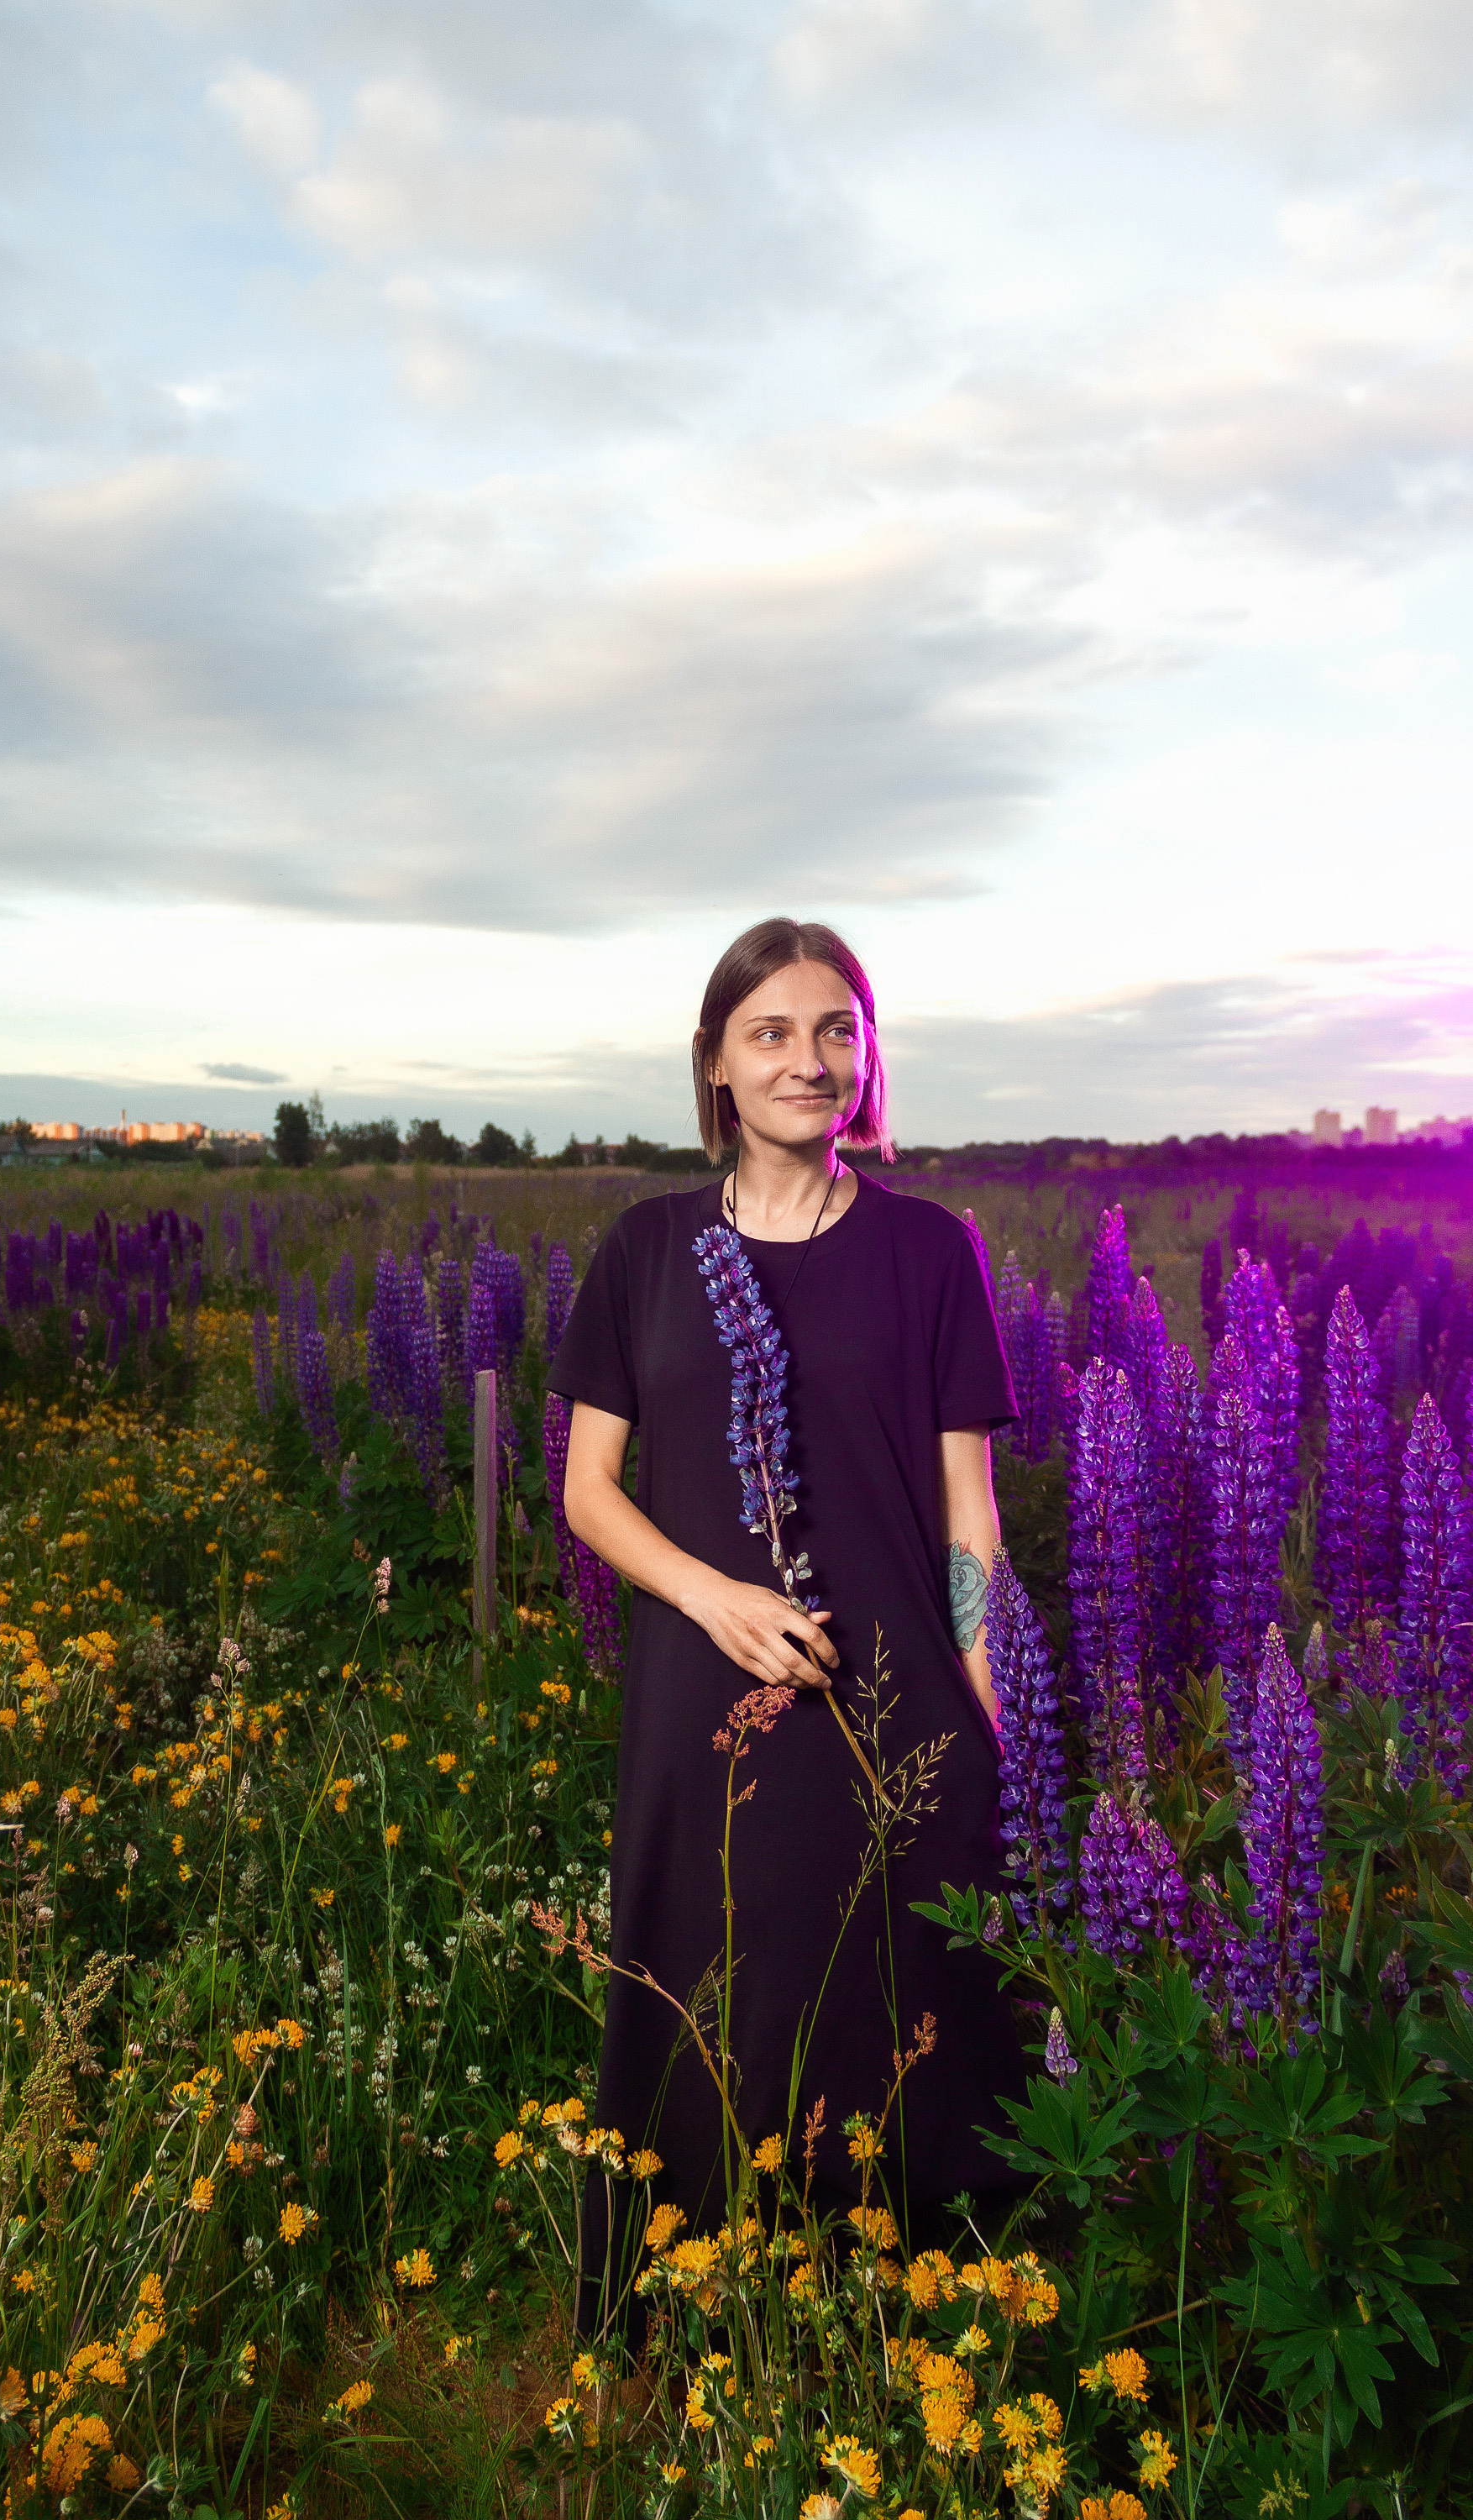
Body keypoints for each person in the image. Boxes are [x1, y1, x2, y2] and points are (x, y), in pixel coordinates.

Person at [548, 915, 1026, 2344]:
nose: (808, 1060)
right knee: (716, 1988)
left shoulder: (936, 1249)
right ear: (714, 1064)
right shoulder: (645, 1248)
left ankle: (900, 2321)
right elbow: (585, 1492)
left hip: (899, 1699)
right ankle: (705, 2317)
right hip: (709, 1685)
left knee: (902, 2003)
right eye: (771, 1032)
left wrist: (993, 1711)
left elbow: (969, 1515)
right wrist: (713, 1596)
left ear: (868, 1059)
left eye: (836, 1031)